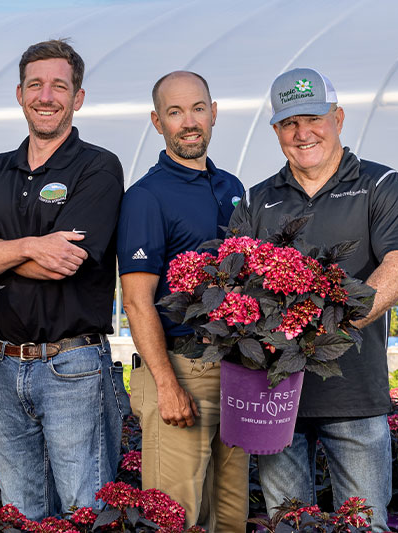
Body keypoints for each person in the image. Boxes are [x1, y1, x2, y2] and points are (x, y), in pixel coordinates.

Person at [229, 67, 398, 531]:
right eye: (289, 123)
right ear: (276, 131)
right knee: (290, 525)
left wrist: (322, 333)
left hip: (354, 395)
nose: (303, 132)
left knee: (365, 524)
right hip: (275, 396)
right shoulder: (257, 199)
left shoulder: (379, 184)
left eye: (314, 118)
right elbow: (233, 283)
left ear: (339, 118)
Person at [0, 39, 129, 520]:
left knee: (84, 511)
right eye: (35, 84)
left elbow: (66, 262)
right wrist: (35, 245)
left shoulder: (98, 166)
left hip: (73, 366)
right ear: (20, 94)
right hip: (4, 365)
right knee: (21, 513)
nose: (46, 96)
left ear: (78, 97)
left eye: (59, 85)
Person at [117, 71, 248, 531]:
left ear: (214, 113)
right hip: (181, 371)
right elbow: (137, 301)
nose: (189, 122)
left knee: (231, 515)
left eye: (197, 109)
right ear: (158, 122)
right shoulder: (146, 197)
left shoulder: (232, 187)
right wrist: (167, 386)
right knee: (176, 518)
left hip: (235, 371)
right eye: (174, 112)